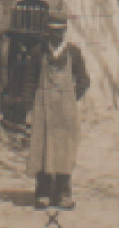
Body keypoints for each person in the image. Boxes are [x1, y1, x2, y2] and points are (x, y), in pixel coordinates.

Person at [26, 11, 91, 211]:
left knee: (65, 149)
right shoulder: (38, 53)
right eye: (52, 32)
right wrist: (31, 107)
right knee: (43, 148)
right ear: (46, 32)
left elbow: (84, 80)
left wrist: (71, 98)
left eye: (59, 32)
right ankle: (43, 192)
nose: (55, 36)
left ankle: (63, 192)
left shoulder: (73, 53)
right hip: (43, 109)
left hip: (65, 111)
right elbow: (29, 81)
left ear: (65, 32)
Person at [1, 0, 50, 134]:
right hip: (20, 51)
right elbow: (16, 31)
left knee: (35, 83)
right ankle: (17, 117)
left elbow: (45, 30)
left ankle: (33, 117)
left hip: (36, 49)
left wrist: (38, 48)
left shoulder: (44, 7)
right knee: (19, 82)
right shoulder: (21, 6)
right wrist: (21, 48)